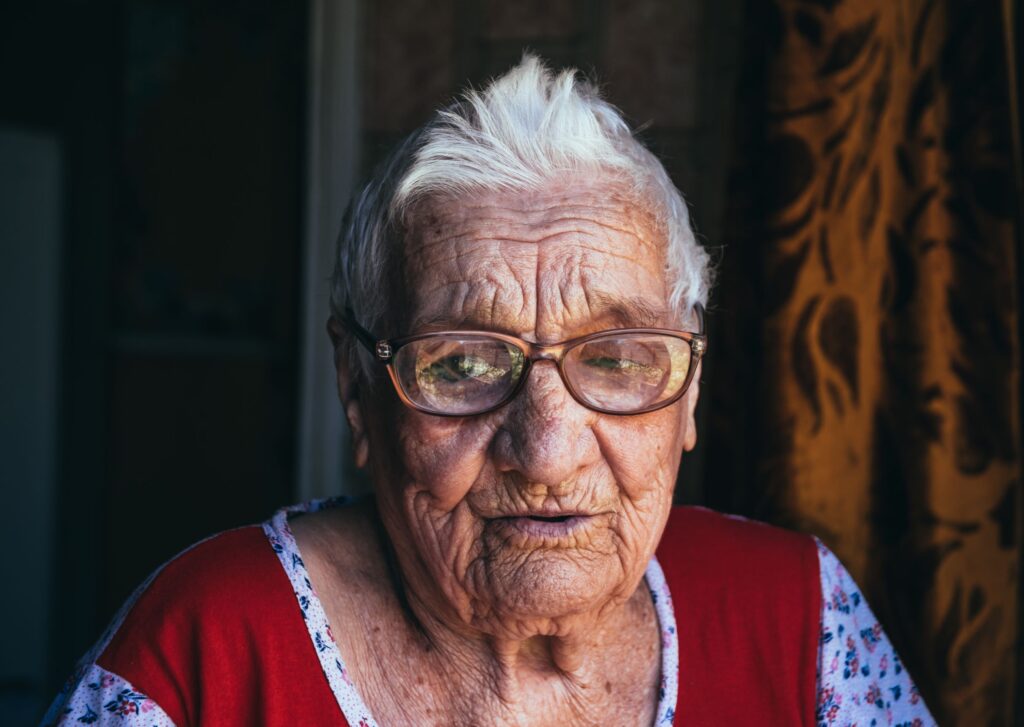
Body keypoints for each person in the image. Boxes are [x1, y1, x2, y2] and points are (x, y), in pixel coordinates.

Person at [44, 55, 935, 726]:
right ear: (359, 387)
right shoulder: (204, 651)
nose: (546, 451)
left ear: (690, 390)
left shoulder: (803, 615)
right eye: (463, 364)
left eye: (618, 359)